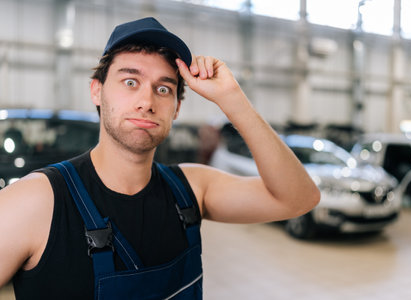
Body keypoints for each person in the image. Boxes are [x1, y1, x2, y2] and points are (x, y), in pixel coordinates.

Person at [0, 17, 320, 299]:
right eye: (130, 81)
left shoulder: (192, 188)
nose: (146, 101)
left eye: (164, 89)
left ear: (177, 108)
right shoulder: (35, 202)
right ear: (97, 91)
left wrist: (232, 100)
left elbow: (299, 199)